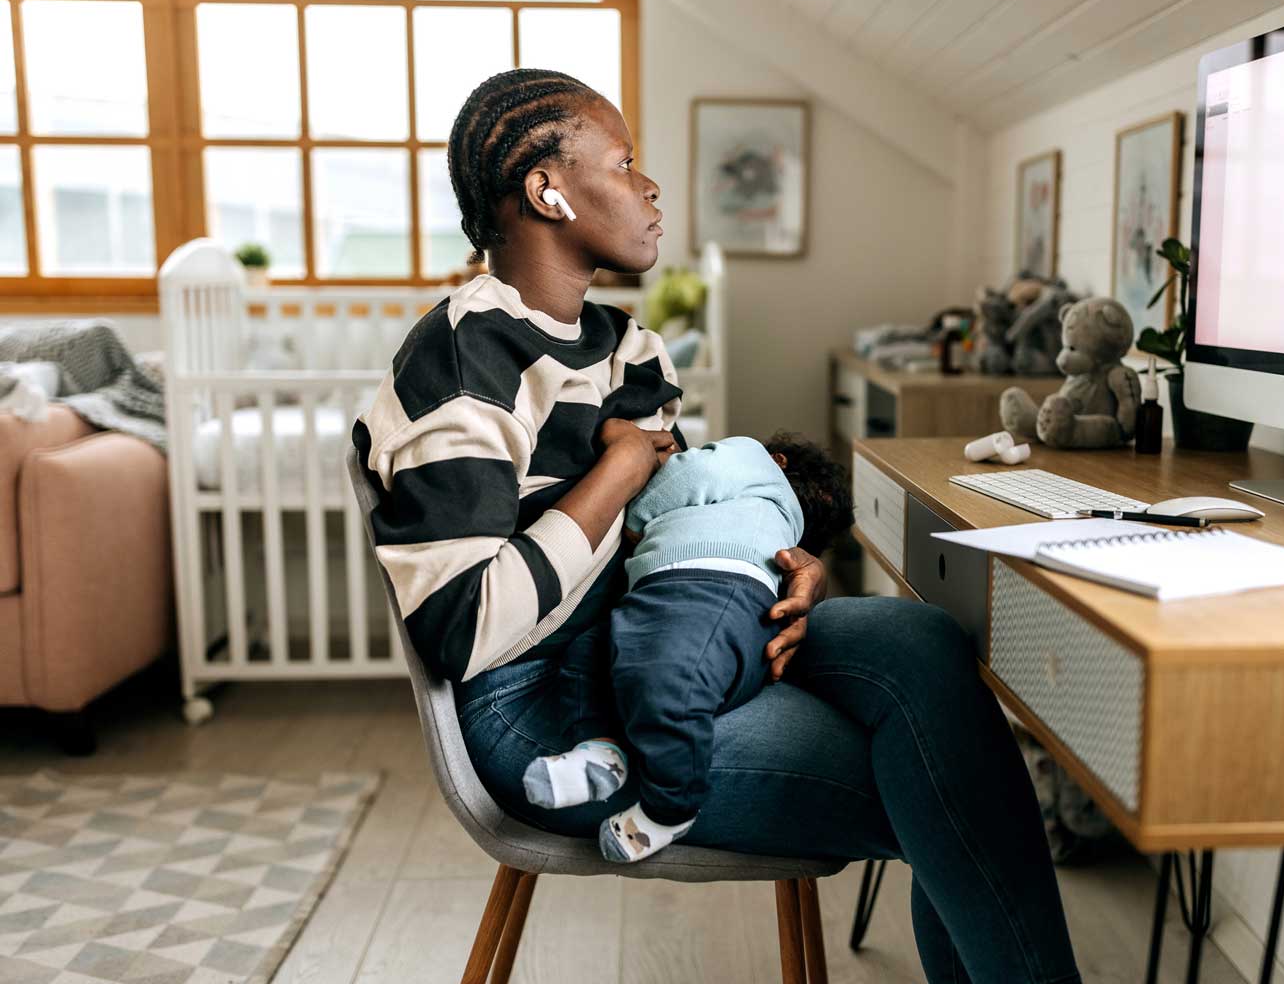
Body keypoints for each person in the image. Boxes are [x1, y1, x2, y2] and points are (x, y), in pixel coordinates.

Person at [353, 67, 1080, 984]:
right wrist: (617, 472)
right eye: (622, 164)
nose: (650, 187)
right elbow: (459, 629)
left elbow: (691, 513)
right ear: (548, 190)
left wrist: (789, 565)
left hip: (669, 625)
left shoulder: (625, 349)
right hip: (547, 709)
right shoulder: (460, 363)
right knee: (949, 773)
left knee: (927, 645)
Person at [522, 433, 854, 864]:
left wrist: (637, 518)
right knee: (587, 656)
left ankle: (671, 807)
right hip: (678, 600)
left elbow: (692, 473)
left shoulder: (754, 460)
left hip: (713, 587)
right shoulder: (781, 522)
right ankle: (600, 750)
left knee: (672, 685)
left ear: (779, 459)